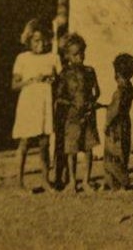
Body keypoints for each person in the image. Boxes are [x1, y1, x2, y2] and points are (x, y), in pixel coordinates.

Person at [11, 19, 61, 191]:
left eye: (42, 39)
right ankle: (19, 182)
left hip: (45, 105)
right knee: (24, 143)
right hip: (28, 104)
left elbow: (60, 81)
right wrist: (31, 80)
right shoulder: (22, 58)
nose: (39, 44)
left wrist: (53, 80)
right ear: (29, 41)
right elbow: (14, 85)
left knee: (44, 143)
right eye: (35, 40)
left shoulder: (53, 58)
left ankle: (45, 181)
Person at [56, 33, 101, 193]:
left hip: (88, 115)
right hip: (72, 117)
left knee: (88, 148)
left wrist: (92, 102)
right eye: (75, 54)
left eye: (82, 52)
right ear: (67, 56)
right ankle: (72, 182)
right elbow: (59, 97)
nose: (80, 57)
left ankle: (87, 181)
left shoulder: (90, 71)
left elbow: (97, 91)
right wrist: (71, 104)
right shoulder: (64, 74)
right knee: (72, 150)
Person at [103, 53, 133, 191]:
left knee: (113, 154)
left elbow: (115, 110)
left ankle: (118, 182)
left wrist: (107, 123)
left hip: (115, 126)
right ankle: (119, 182)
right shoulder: (130, 88)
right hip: (125, 123)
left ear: (117, 73)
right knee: (123, 152)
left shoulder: (119, 92)